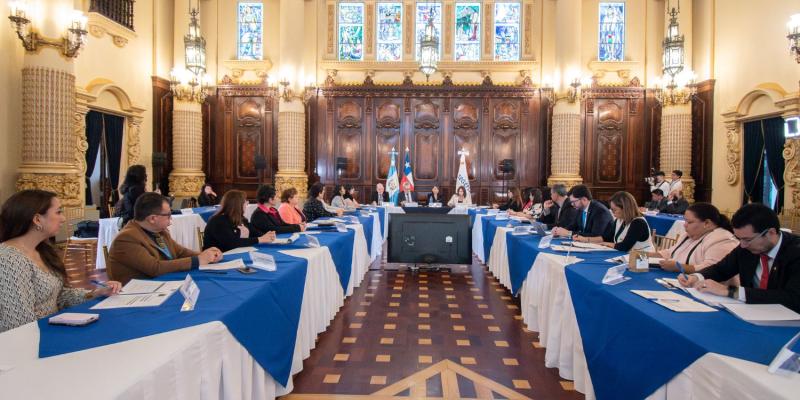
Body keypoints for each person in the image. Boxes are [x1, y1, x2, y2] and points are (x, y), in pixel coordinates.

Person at [0, 190, 122, 333]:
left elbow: (61, 296)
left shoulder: (42, 250)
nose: (63, 218)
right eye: (58, 212)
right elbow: (19, 323)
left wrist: (96, 292)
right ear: (37, 220)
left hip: (48, 330)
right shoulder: (9, 259)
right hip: (32, 340)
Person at [679, 203, 800, 312]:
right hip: (750, 313)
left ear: (771, 233)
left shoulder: (795, 252)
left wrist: (732, 291)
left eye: (747, 240)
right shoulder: (746, 247)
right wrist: (696, 277)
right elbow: (721, 269)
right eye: (739, 239)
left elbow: (792, 298)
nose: (742, 245)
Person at [107, 192, 223, 285]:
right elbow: (155, 268)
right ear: (152, 218)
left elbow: (181, 252)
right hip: (137, 294)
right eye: (168, 215)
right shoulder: (126, 239)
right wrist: (198, 260)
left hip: (162, 286)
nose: (171, 220)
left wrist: (208, 255)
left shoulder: (160, 232)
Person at [648, 203, 739, 275]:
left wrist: (679, 267)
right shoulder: (689, 235)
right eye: (685, 220)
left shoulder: (721, 239)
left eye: (689, 222)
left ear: (707, 223)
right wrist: (645, 255)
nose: (685, 225)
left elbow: (713, 270)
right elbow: (670, 252)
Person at [574, 191, 654, 252]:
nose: (612, 213)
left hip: (643, 261)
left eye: (614, 210)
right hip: (626, 258)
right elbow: (607, 238)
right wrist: (585, 239)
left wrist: (606, 244)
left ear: (625, 208)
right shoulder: (619, 220)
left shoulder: (638, 223)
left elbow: (624, 247)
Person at [203, 190, 275, 252]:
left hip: (236, 254)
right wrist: (260, 239)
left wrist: (268, 235)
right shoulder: (218, 221)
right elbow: (232, 243)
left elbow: (255, 232)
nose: (247, 204)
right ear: (238, 204)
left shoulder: (241, 218)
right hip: (217, 259)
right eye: (245, 202)